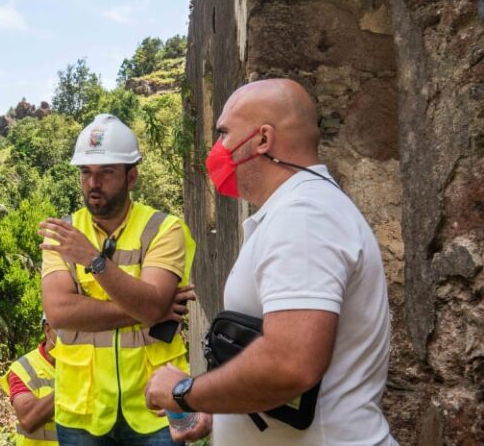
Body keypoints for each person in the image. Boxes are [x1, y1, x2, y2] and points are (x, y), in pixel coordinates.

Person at [145, 79, 397, 446]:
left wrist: (184, 391)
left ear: (262, 140)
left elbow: (289, 364)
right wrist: (218, 407)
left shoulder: (305, 216)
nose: (217, 149)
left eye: (225, 134)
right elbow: (270, 346)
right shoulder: (293, 212)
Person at [39, 113, 197, 446]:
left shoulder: (163, 229)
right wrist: (148, 308)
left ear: (132, 177)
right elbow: (59, 313)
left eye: (107, 172)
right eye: (86, 173)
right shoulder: (63, 234)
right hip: (83, 410)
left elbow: (152, 305)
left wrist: (94, 262)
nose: (93, 183)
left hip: (153, 405)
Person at [0, 315, 58, 446]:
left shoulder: (86, 363)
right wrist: (71, 383)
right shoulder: (24, 368)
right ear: (48, 330)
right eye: (67, 328)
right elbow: (28, 420)